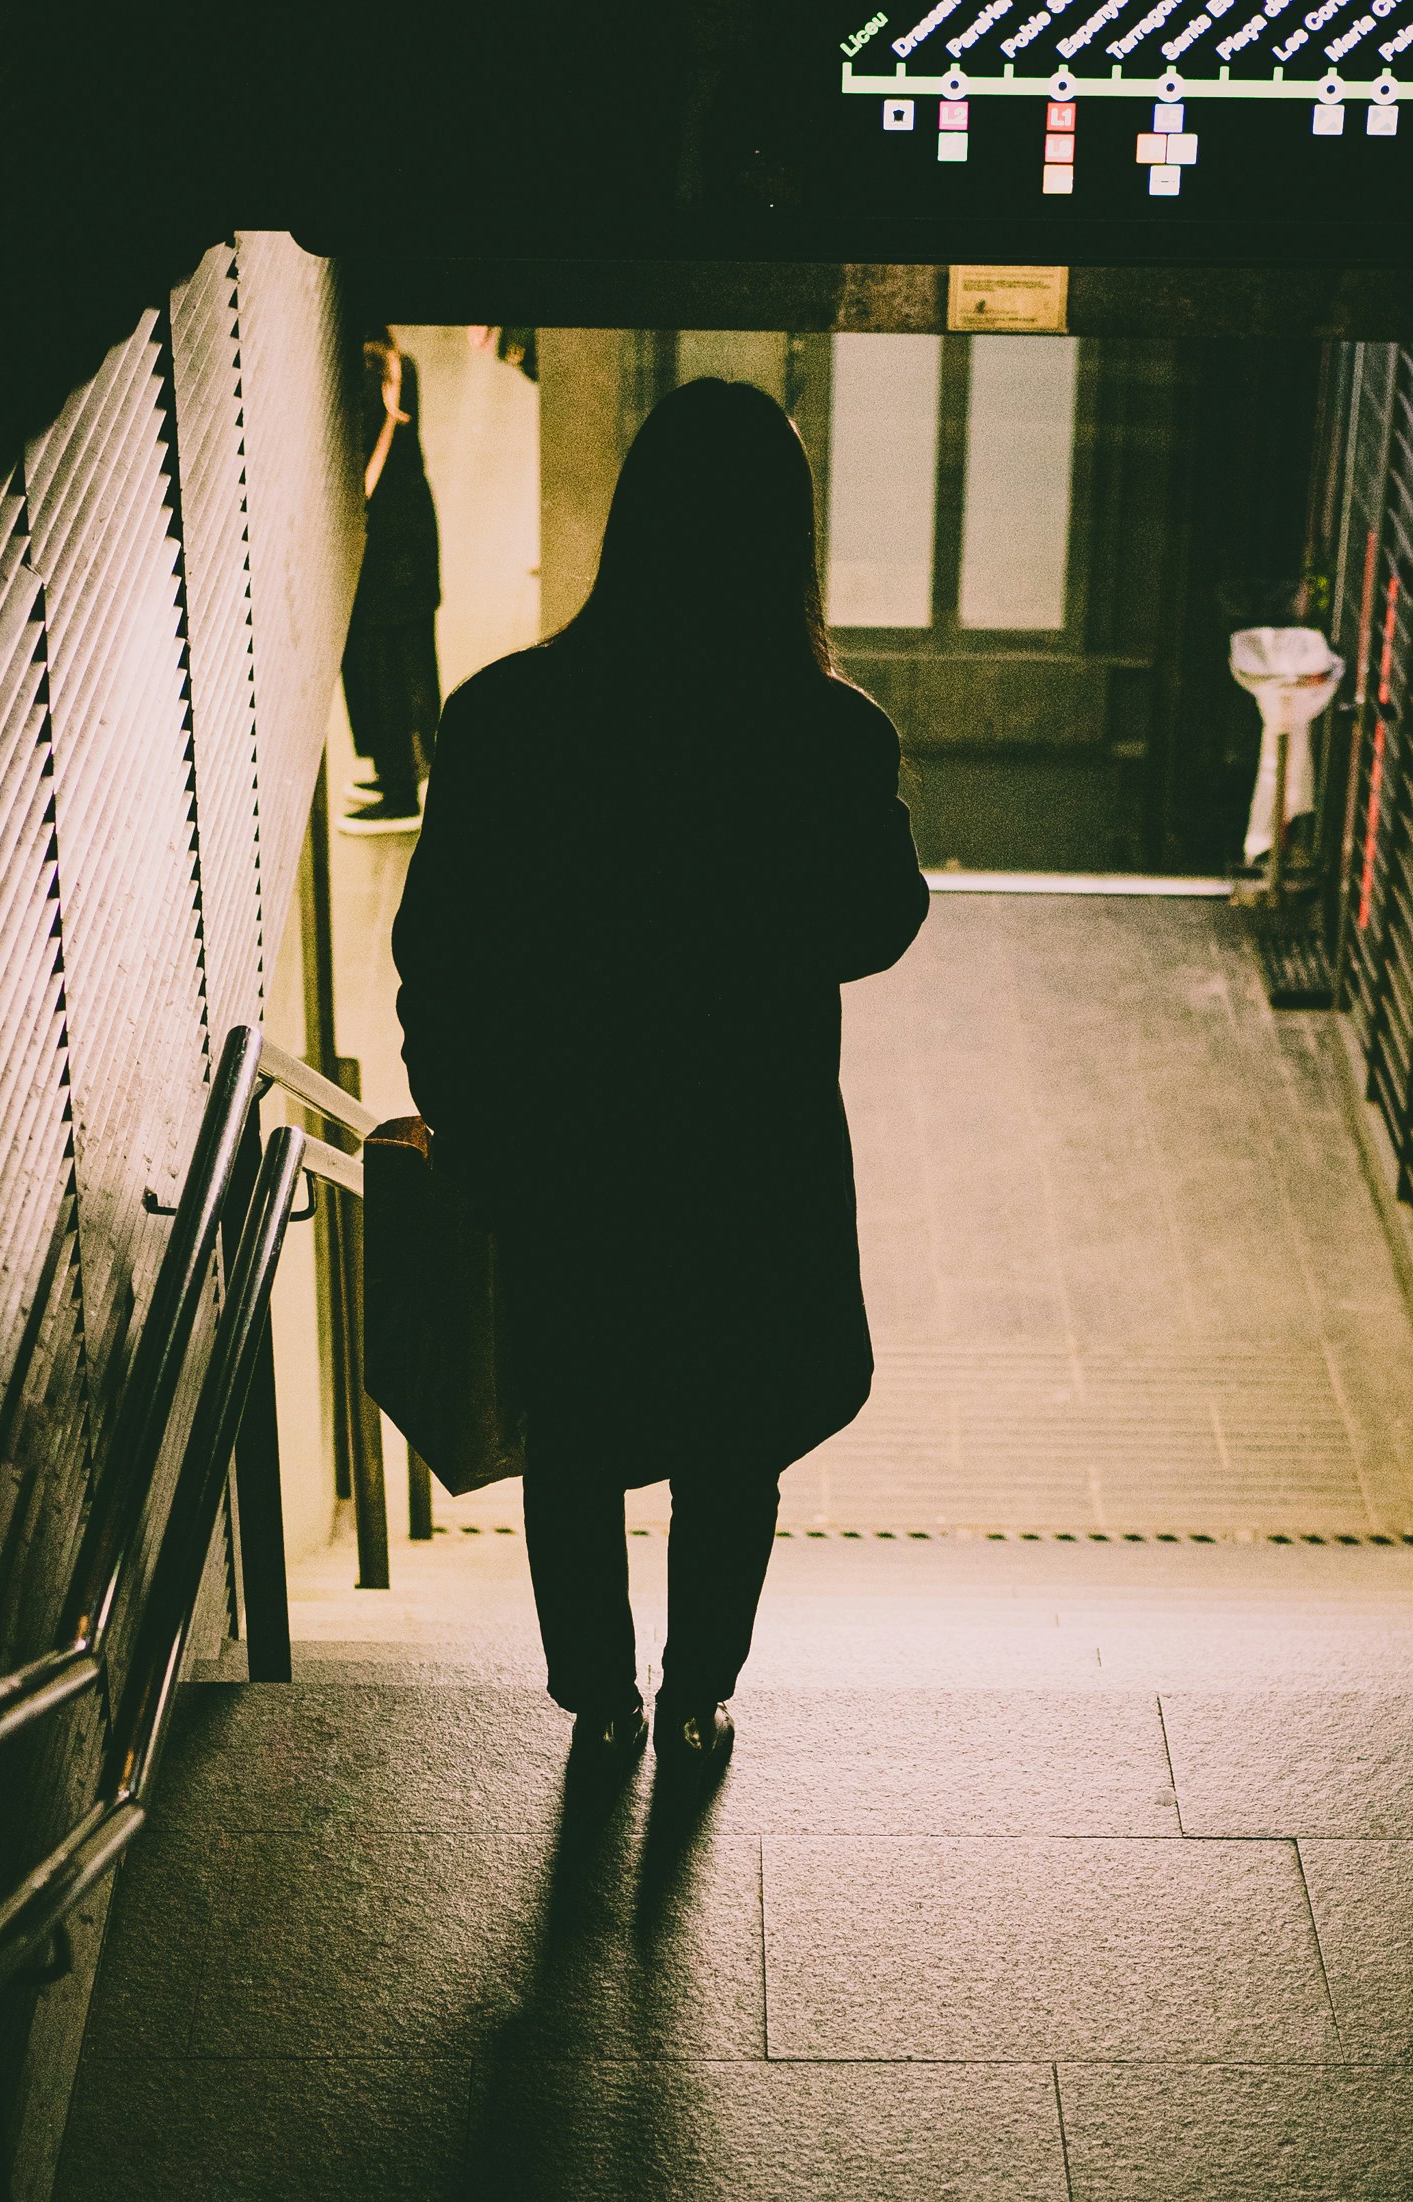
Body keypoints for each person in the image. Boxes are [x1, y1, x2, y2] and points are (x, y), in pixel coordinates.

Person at [392, 378, 929, 1763]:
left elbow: (438, 945)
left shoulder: (506, 717)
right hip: (753, 1149)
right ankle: (700, 1692)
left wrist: (468, 1114)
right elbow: (876, 926)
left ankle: (598, 1698)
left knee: (575, 1421)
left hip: (569, 1146)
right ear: (783, 543)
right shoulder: (826, 733)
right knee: (730, 1433)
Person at [340, 331, 443, 822]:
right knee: (410, 657)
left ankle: (400, 790)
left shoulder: (362, 376)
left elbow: (358, 469)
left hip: (385, 541)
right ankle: (401, 772)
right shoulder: (402, 366)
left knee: (383, 663)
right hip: (412, 531)